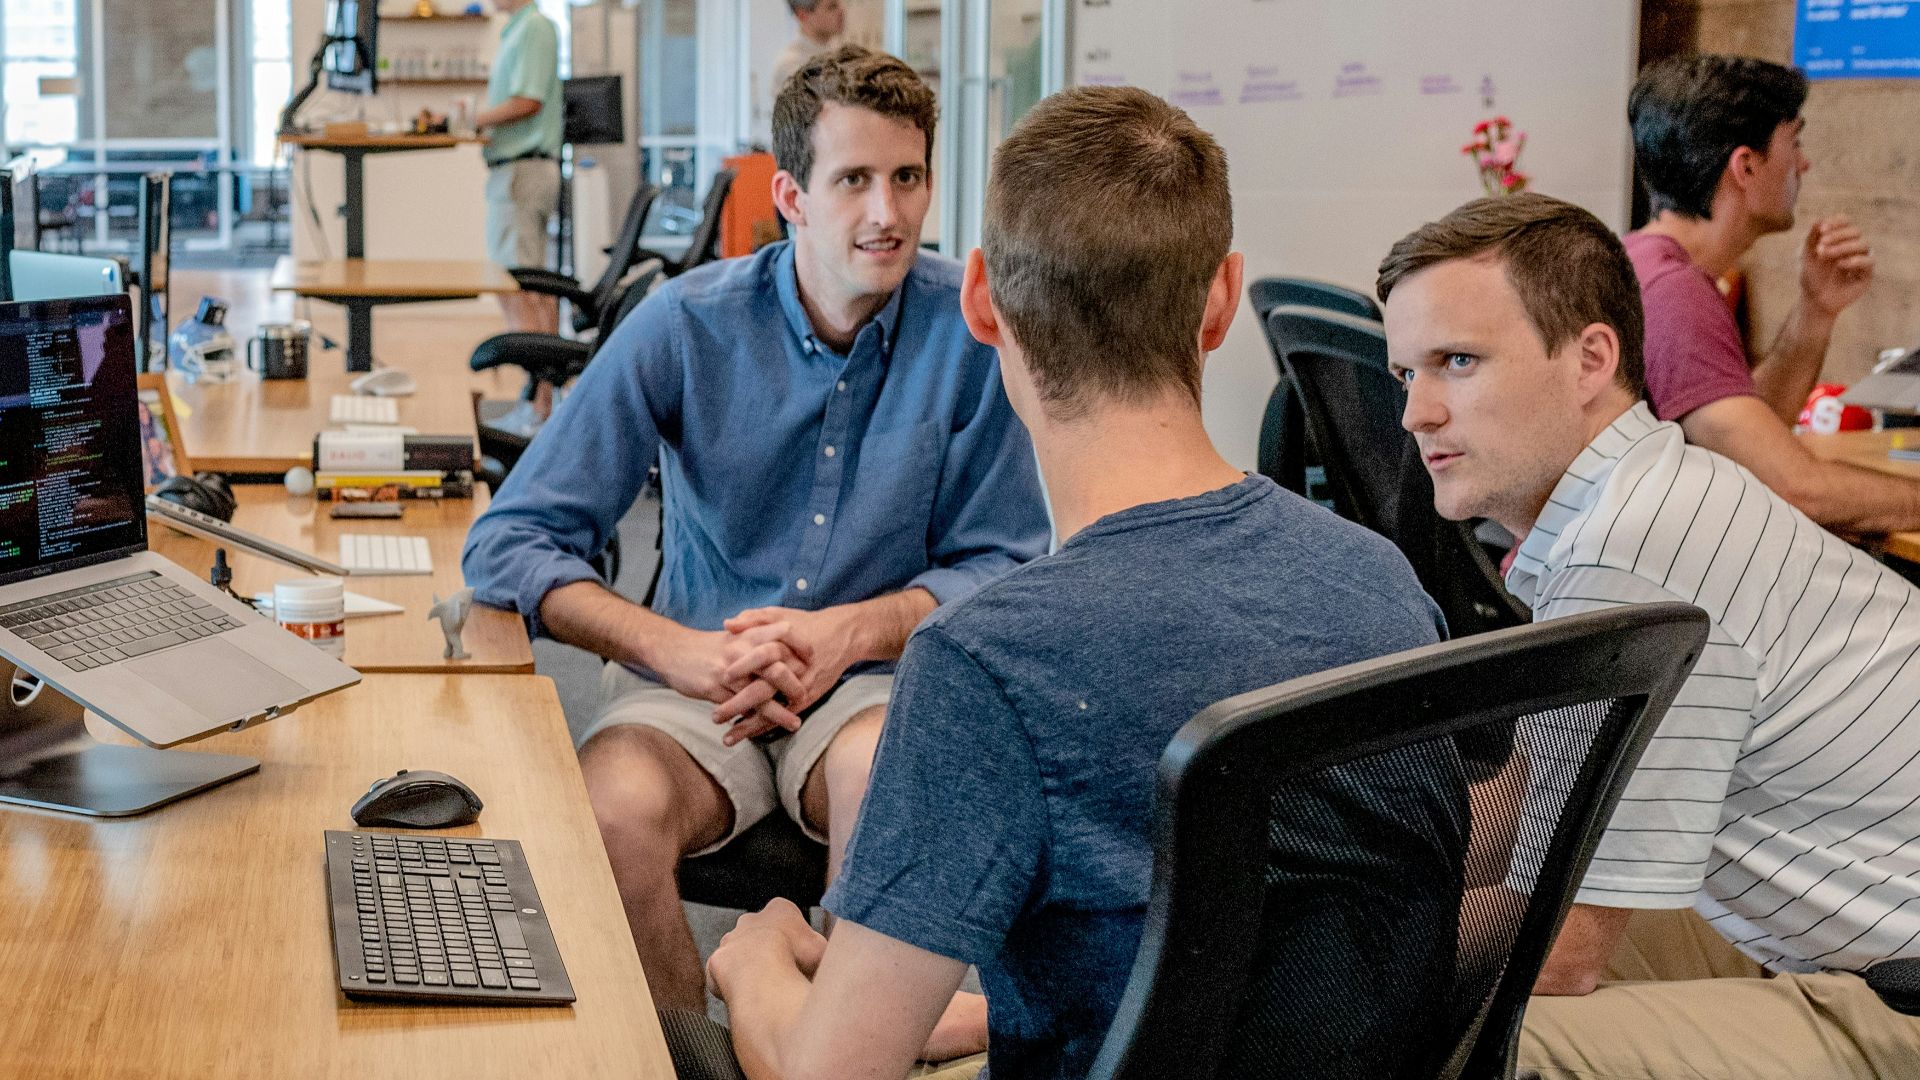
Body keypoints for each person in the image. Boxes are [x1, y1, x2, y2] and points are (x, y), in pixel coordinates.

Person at [707, 84, 1469, 1080]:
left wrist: (754, 958)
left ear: (981, 300)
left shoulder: (992, 661)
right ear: (1222, 300)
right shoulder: (1383, 586)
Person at [461, 45, 1049, 1012]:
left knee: (889, 793)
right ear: (791, 194)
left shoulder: (974, 333)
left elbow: (1009, 565)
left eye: (908, 179)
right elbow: (510, 541)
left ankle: (833, 1052)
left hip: (872, 684)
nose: (886, 214)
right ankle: (685, 1051)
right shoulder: (684, 325)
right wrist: (674, 651)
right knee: (609, 812)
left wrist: (850, 632)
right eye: (853, 180)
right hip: (697, 679)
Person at [1378, 191, 1920, 1079]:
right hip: (1835, 939)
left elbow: (1564, 950)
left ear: (1591, 358)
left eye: (1458, 363)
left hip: (1893, 996)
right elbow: (1534, 795)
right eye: (1409, 374)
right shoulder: (1639, 497)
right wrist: (1347, 871)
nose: (1416, 415)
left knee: (1495, 1040)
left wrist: (1327, 957)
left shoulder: (1634, 550)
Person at [1624, 54, 1920, 533]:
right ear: (1745, 166)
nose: (1803, 163)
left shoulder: (1646, 261)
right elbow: (1795, 488)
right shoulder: (1674, 294)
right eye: (1793, 141)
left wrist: (1816, 309)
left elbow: (1746, 442)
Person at [472, 0, 564, 339]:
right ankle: (540, 387)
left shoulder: (534, 27)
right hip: (514, 172)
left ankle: (538, 385)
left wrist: (472, 119)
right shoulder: (516, 31)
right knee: (523, 284)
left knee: (519, 286)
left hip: (523, 172)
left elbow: (528, 100)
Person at [772, 0, 845, 95]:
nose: (842, 10)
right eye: (832, 6)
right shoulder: (790, 66)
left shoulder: (839, 47)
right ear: (802, 15)